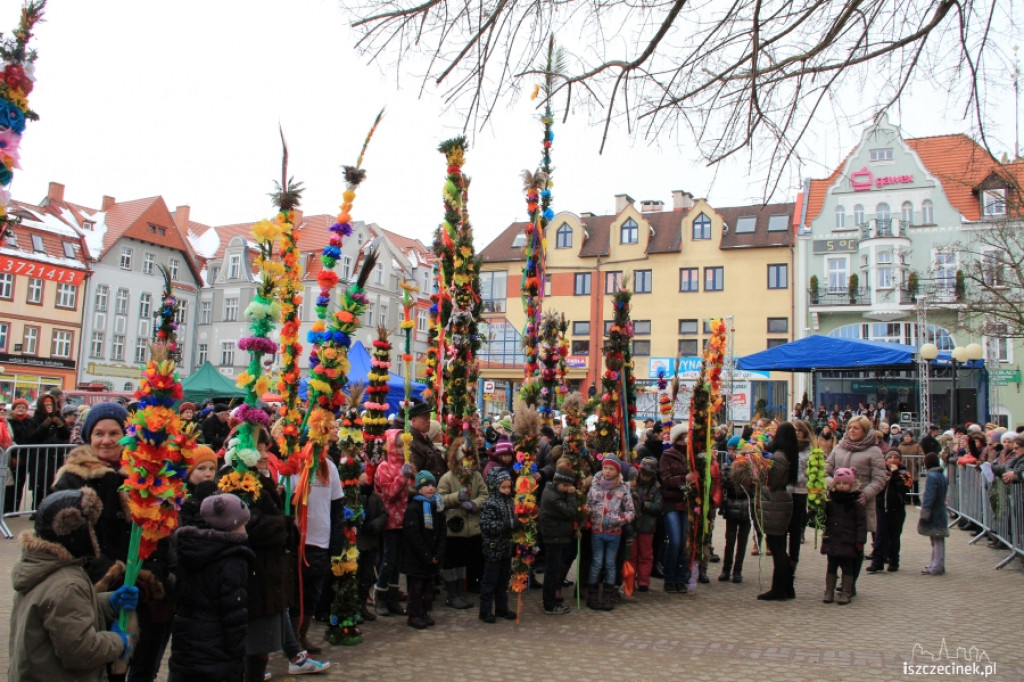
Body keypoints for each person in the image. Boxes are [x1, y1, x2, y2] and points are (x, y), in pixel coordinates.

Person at [9, 487, 138, 682]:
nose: (94, 533)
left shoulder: (46, 565)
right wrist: (119, 642)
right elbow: (80, 650)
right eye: (90, 528)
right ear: (74, 532)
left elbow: (65, 614)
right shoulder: (66, 583)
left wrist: (107, 603)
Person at [168, 493, 254, 682]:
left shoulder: (191, 550)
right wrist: (237, 656)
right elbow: (234, 615)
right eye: (243, 523)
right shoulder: (232, 560)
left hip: (187, 647)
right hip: (217, 651)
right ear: (233, 525)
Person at [825, 414, 887, 592]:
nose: (852, 431)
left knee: (855, 546)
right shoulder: (839, 448)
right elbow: (826, 471)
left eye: (856, 428)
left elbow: (880, 479)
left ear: (865, 431)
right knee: (836, 545)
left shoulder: (873, 451)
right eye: (850, 427)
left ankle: (849, 584)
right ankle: (836, 580)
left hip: (859, 505)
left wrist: (866, 494)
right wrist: (832, 484)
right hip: (837, 506)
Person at [436, 436, 487, 610]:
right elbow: (440, 499)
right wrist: (456, 498)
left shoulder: (476, 477)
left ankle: (460, 591)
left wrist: (475, 503)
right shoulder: (447, 478)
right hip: (454, 529)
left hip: (472, 528)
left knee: (464, 561)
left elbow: (484, 495)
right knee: (452, 561)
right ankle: (452, 593)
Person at [373, 429, 415, 617]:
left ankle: (392, 597)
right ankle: (379, 596)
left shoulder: (407, 464)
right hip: (389, 520)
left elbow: (412, 489)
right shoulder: (384, 467)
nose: (400, 450)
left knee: (398, 561)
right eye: (398, 446)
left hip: (404, 520)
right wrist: (402, 477)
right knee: (388, 560)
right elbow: (390, 494)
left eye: (404, 446)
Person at [585, 455, 635, 611]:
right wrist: (589, 515)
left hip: (614, 533)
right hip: (597, 531)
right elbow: (588, 506)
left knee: (610, 563)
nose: (607, 471)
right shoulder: (594, 487)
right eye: (605, 468)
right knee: (597, 562)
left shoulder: (623, 489)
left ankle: (608, 593)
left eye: (611, 469)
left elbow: (630, 511)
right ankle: (592, 594)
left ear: (617, 471)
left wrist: (617, 519)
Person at [756, 421, 797, 601]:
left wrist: (761, 470)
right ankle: (787, 587)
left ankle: (779, 589)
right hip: (781, 501)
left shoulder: (779, 457)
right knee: (779, 546)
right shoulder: (789, 455)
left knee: (777, 547)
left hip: (775, 503)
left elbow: (771, 482)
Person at [401, 471, 446, 629]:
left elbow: (442, 532)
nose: (430, 488)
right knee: (416, 587)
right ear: (419, 488)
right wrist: (427, 555)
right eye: (426, 485)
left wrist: (437, 554)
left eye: (433, 484)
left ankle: (424, 612)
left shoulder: (438, 506)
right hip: (417, 558)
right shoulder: (414, 508)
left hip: (432, 555)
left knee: (428, 586)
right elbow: (414, 536)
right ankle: (414, 614)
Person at [820, 467, 866, 605]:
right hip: (832, 539)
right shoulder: (830, 502)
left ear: (851, 485)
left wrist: (860, 541)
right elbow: (822, 519)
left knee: (847, 567)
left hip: (848, 541)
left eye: (845, 483)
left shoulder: (856, 503)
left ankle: (846, 591)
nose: (841, 486)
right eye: (838, 483)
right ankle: (829, 591)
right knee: (831, 566)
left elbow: (861, 524)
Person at [478, 467, 518, 623]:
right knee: (490, 581)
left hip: (506, 548)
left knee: (503, 580)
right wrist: (509, 524)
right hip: (493, 548)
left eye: (509, 487)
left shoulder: (510, 501)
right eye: (503, 487)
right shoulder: (489, 504)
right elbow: (488, 526)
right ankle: (485, 610)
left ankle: (502, 608)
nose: (507, 490)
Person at [539, 466, 577, 614]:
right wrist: (572, 496)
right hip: (553, 537)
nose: (567, 489)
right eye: (565, 486)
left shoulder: (554, 491)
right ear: (557, 482)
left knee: (553, 570)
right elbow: (570, 512)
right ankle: (549, 604)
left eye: (569, 486)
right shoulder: (552, 496)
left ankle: (551, 600)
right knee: (552, 571)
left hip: (557, 535)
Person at [659, 423, 691, 593]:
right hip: (671, 502)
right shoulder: (667, 455)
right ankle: (669, 578)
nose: (686, 439)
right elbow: (666, 479)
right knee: (675, 541)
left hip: (687, 504)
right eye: (684, 436)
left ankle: (681, 578)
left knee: (685, 542)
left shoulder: (692, 456)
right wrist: (685, 479)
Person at [867, 450, 911, 573]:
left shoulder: (904, 472)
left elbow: (906, 486)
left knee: (894, 537)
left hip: (897, 510)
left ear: (900, 460)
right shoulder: (881, 472)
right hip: (881, 508)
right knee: (880, 536)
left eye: (895, 457)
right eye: (890, 457)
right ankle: (877, 562)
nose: (892, 459)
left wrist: (896, 474)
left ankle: (894, 561)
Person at [719, 442, 756, 583]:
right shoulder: (729, 469)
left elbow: (755, 491)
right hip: (733, 509)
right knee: (730, 541)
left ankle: (736, 570)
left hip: (746, 510)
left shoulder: (752, 472)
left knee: (741, 542)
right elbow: (725, 486)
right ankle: (727, 569)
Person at [356, 470, 387, 622]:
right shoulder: (352, 497)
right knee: (356, 576)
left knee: (367, 576)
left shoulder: (375, 498)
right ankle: (354, 607)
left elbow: (383, 514)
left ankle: (362, 606)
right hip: (357, 543)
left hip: (371, 542)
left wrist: (374, 525)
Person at [631, 457, 662, 592]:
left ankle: (643, 581)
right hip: (632, 525)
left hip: (647, 526)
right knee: (632, 554)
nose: (645, 477)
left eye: (648, 475)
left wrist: (645, 505)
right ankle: (630, 580)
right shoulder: (634, 484)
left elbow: (659, 506)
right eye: (643, 474)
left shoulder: (656, 487)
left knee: (645, 554)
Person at [918, 452, 949, 575]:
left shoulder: (932, 477)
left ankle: (936, 565)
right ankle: (936, 564)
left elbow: (929, 496)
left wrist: (925, 512)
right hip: (941, 510)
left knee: (936, 539)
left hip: (934, 511)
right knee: (938, 538)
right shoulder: (941, 476)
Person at [406, 399, 446, 481]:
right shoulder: (412, 441)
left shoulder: (424, 438)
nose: (429, 422)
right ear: (413, 421)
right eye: (425, 419)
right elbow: (417, 472)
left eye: (429, 418)